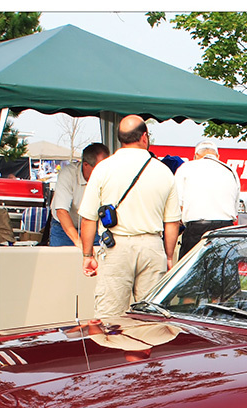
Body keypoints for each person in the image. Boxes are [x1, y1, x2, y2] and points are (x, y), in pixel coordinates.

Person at [78, 115, 181, 318]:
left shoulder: (103, 169)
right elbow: (172, 222)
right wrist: (169, 257)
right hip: (152, 248)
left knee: (109, 318)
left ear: (120, 139)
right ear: (145, 137)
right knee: (151, 318)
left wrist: (87, 255)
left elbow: (88, 218)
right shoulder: (163, 171)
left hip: (116, 248)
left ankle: (115, 349)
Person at [173, 140, 241, 259]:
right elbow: (234, 211)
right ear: (217, 156)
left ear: (195, 156)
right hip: (225, 230)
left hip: (196, 229)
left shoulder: (186, 168)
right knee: (223, 274)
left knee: (193, 275)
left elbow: (178, 206)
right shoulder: (230, 171)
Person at [48, 143, 110, 247]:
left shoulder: (108, 177)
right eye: (100, 167)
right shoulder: (67, 174)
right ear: (86, 165)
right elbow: (61, 211)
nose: (105, 170)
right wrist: (78, 242)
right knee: (59, 261)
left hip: (94, 227)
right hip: (63, 228)